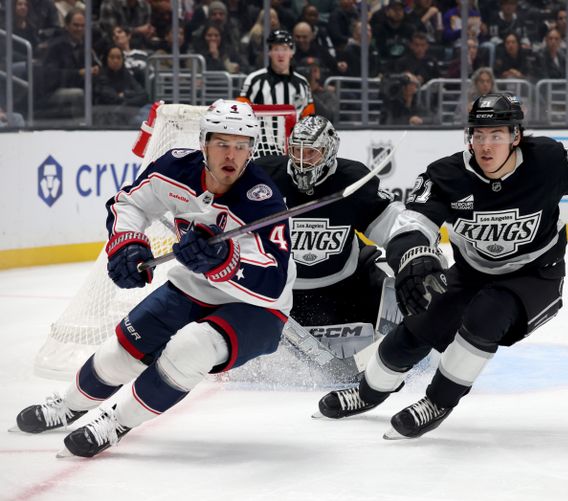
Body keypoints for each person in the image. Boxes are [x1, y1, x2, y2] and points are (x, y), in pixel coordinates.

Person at [314, 92, 568, 439]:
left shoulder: (549, 160)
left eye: (497, 136)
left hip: (536, 275)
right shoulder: (447, 175)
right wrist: (414, 258)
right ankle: (368, 392)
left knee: (486, 316)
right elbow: (412, 224)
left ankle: (438, 401)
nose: (486, 146)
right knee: (417, 325)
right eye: (478, 135)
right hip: (471, 273)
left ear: (516, 136)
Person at [13, 100, 296, 457]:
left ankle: (116, 423)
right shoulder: (176, 167)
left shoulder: (263, 200)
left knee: (190, 349)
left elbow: (272, 281)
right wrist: (127, 245)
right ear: (204, 142)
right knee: (122, 350)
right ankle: (69, 405)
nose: (232, 155)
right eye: (223, 143)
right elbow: (129, 204)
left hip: (257, 307)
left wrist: (223, 260)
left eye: (241, 146)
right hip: (196, 284)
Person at [254, 115, 404, 364]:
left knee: (398, 272)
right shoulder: (266, 175)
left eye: (311, 152)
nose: (302, 160)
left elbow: (389, 222)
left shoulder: (353, 178)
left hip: (343, 287)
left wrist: (413, 244)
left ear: (329, 151)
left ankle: (409, 342)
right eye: (296, 151)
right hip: (285, 292)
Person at [238, 30, 315, 119]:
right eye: (276, 49)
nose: (280, 54)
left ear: (292, 52)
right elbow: (241, 112)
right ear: (269, 52)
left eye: (285, 49)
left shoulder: (303, 83)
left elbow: (309, 118)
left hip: (293, 133)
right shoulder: (254, 80)